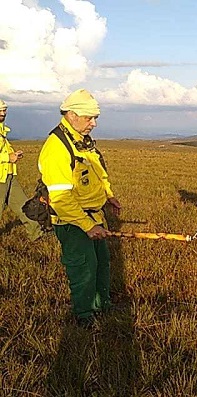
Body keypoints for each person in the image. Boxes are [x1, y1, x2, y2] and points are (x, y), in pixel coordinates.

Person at [38, 89, 122, 327]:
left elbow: (96, 172)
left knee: (101, 264)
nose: (94, 123)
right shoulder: (57, 147)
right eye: (89, 118)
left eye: (96, 117)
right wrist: (87, 226)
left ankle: (102, 306)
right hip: (72, 222)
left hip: (94, 218)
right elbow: (61, 199)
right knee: (83, 269)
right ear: (71, 115)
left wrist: (108, 196)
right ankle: (84, 317)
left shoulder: (82, 141)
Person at [0, 99, 44, 241]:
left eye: (4, 110)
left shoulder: (2, 129)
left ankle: (36, 234)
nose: (3, 113)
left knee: (23, 205)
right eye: (0, 111)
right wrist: (8, 157)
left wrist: (13, 155)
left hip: (9, 175)